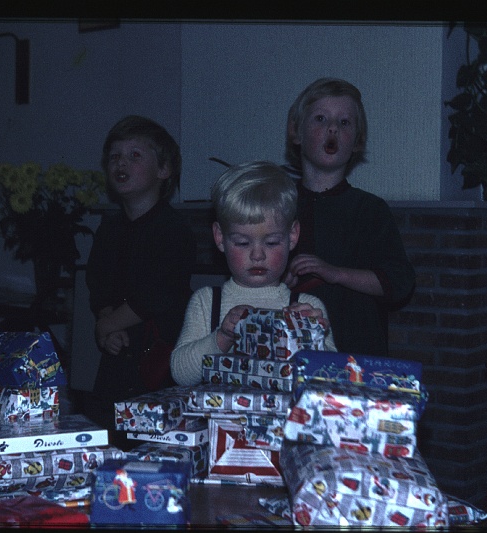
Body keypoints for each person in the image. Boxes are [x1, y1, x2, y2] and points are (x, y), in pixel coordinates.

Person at [170, 160, 337, 387]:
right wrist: (222, 337)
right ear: (220, 238)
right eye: (242, 242)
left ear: (293, 236)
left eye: (271, 242)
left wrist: (312, 337)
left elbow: (330, 379)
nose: (257, 255)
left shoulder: (306, 305)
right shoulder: (207, 302)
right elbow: (181, 374)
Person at [83, 115, 196, 445]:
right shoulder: (109, 229)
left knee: (150, 441)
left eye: (135, 155)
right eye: (116, 155)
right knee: (108, 437)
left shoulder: (173, 230)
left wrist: (107, 325)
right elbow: (99, 284)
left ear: (163, 170)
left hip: (159, 359)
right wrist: (107, 322)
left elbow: (157, 293)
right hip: (119, 359)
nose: (122, 163)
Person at [282, 78, 415, 357]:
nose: (332, 128)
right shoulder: (275, 204)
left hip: (354, 354)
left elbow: (399, 283)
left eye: (344, 123)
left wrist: (334, 273)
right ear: (297, 133)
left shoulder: (370, 209)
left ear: (357, 142)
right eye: (320, 119)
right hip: (286, 353)